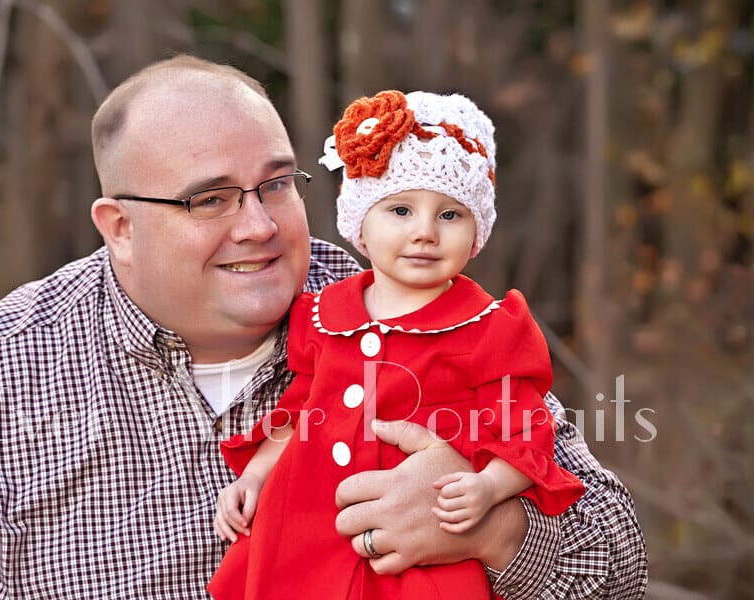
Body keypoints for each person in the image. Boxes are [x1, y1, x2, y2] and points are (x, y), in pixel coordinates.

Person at [0, 55, 647, 599]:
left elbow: (620, 569)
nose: (259, 226)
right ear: (119, 226)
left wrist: (491, 531)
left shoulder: (423, 315)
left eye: (275, 184)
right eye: (210, 199)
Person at [209, 90, 586, 599]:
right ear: (361, 224)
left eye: (450, 215)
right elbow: (301, 408)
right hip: (303, 527)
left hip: (417, 557)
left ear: (478, 230)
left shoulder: (489, 326)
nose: (425, 233)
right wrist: (254, 476)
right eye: (402, 210)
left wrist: (488, 489)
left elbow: (526, 428)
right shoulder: (323, 313)